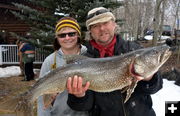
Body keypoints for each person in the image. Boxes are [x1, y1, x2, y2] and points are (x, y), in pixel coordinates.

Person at [66, 7, 163, 116]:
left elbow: (155, 88)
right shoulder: (83, 60)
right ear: (90, 31)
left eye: (105, 22)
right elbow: (83, 107)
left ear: (114, 24)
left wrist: (149, 78)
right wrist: (79, 96)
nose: (102, 28)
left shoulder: (134, 50)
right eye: (95, 26)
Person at [37, 17, 89, 116]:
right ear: (57, 38)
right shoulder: (50, 61)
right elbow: (41, 98)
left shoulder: (89, 55)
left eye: (71, 34)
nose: (67, 38)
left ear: (78, 34)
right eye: (62, 35)